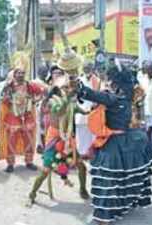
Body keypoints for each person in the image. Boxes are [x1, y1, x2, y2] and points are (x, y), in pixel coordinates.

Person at [74, 64, 152, 225]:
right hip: (128, 140)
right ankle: (126, 203)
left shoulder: (113, 98)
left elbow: (93, 95)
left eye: (110, 81)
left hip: (114, 144)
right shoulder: (127, 98)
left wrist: (79, 87)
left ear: (116, 83)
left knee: (109, 180)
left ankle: (105, 217)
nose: (108, 83)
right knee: (125, 176)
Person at [0, 61, 45, 173]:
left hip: (27, 116)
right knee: (11, 140)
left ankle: (29, 161)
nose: (20, 75)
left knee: (29, 139)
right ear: (14, 74)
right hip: (13, 117)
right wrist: (9, 100)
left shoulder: (29, 85)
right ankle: (10, 164)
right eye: (18, 73)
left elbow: (41, 93)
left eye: (22, 73)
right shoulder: (9, 86)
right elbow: (2, 97)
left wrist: (34, 101)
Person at [56, 50, 91, 199]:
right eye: (70, 69)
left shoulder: (82, 83)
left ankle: (83, 188)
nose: (73, 71)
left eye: (75, 69)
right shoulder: (58, 85)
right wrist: (67, 96)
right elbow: (57, 109)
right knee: (55, 160)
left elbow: (84, 103)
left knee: (79, 161)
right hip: (60, 127)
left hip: (75, 128)